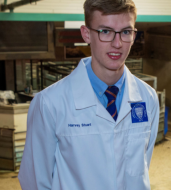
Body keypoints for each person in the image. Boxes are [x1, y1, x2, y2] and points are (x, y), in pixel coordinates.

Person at [18, 0, 159, 189]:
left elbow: (142, 166)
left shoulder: (147, 98)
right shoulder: (49, 104)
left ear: (134, 34)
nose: (117, 44)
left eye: (125, 32)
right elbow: (35, 182)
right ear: (86, 34)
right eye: (105, 32)